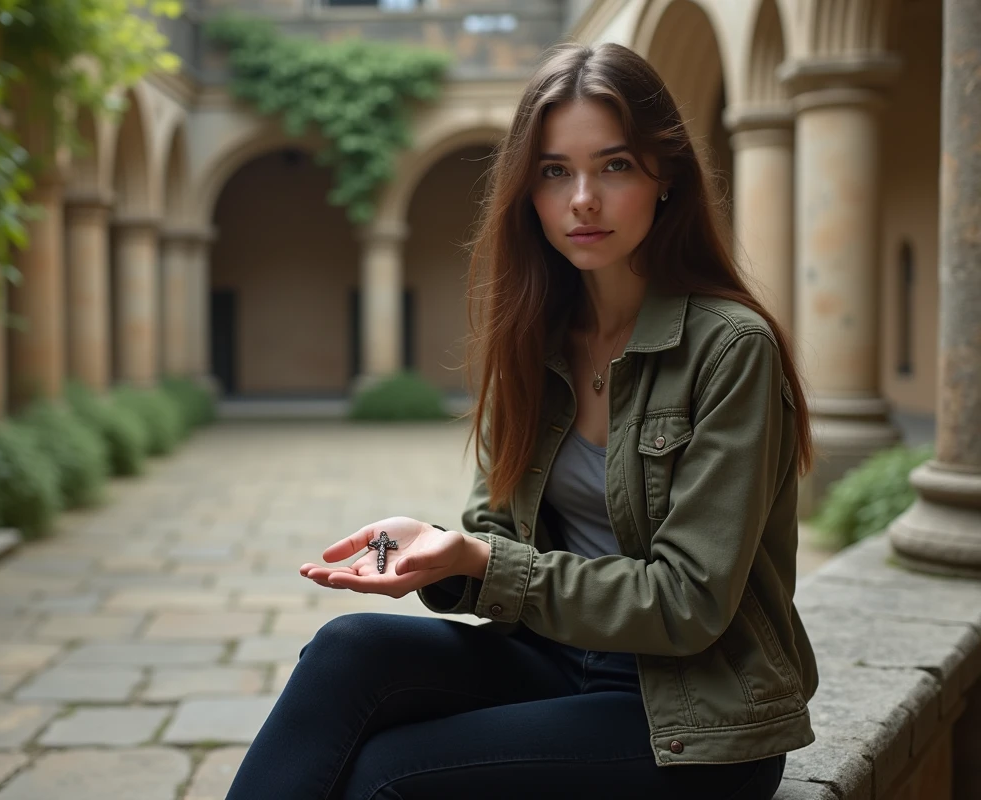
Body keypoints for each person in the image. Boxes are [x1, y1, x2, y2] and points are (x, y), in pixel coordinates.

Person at [226, 41, 818, 800]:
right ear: (527, 191)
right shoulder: (537, 333)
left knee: (386, 775)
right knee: (347, 652)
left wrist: (482, 563)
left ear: (663, 176)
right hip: (559, 660)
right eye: (554, 172)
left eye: (615, 166)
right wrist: (439, 558)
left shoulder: (731, 348)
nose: (583, 201)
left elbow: (688, 603)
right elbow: (500, 539)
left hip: (696, 714)